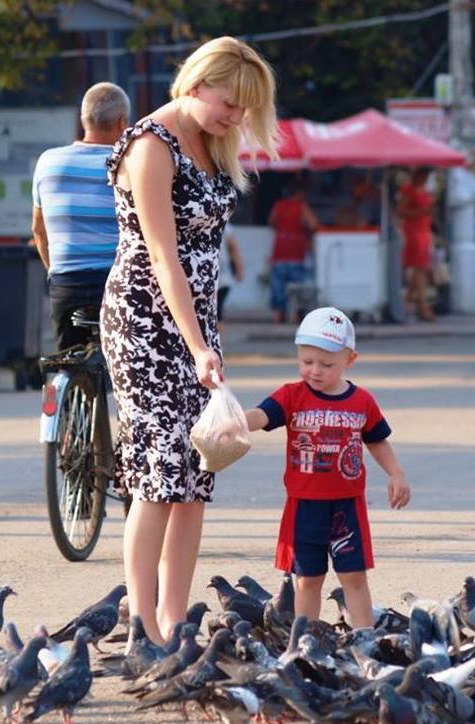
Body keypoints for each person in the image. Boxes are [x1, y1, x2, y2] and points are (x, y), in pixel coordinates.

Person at [101, 37, 278, 646]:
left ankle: (177, 623)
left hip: (195, 322)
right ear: (198, 84)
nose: (236, 118)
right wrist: (199, 344)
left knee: (198, 469)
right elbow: (162, 256)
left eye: (243, 111)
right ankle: (141, 626)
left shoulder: (210, 141)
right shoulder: (152, 145)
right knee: (158, 474)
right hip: (145, 320)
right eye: (230, 104)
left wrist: (205, 339)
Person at [242, 307, 410, 629]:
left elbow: (376, 441)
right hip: (304, 506)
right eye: (307, 362)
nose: (315, 371)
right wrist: (232, 421)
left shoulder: (362, 401)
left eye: (327, 364)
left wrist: (396, 473)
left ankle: (365, 638)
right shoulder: (292, 395)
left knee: (354, 577)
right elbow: (262, 415)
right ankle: (306, 640)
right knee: (307, 579)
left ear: (350, 360)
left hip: (347, 506)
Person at [31, 82, 129, 350]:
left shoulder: (47, 162)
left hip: (66, 284)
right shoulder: (127, 163)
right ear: (123, 123)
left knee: (66, 360)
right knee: (130, 371)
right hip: (115, 283)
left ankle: (60, 388)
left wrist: (56, 271)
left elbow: (38, 231)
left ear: (83, 119)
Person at [268, 177, 319, 323]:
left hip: (279, 253)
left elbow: (271, 222)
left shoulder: (279, 206)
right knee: (298, 290)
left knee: (278, 288)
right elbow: (314, 224)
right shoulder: (302, 207)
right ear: (301, 193)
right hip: (296, 254)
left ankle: (278, 316)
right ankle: (298, 317)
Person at [396, 167, 436, 322]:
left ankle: (407, 303)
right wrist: (421, 211)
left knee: (422, 268)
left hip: (424, 230)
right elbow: (401, 212)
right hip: (413, 230)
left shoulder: (424, 191)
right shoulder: (409, 190)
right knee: (419, 268)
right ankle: (423, 306)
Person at [217, 223, 244, 335]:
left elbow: (233, 248)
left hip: (222, 277)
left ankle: (217, 343)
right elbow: (234, 248)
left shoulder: (225, 226)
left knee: (217, 311)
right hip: (219, 277)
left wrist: (239, 269)